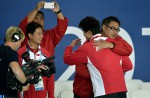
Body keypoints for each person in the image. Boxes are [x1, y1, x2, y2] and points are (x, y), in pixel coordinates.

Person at [64, 16, 133, 98]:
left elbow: (67, 59)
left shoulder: (88, 47)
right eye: (113, 29)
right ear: (103, 27)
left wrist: (70, 46)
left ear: (89, 32)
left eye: (116, 30)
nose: (115, 32)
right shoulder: (117, 44)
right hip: (121, 90)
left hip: (103, 92)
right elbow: (128, 64)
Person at [18, 1, 68, 98]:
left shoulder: (50, 36)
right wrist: (36, 9)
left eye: (41, 19)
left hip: (43, 84)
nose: (38, 20)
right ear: (30, 35)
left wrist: (58, 12)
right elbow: (24, 24)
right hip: (27, 86)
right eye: (35, 18)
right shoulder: (25, 37)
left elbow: (62, 28)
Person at [0, 26, 30, 97]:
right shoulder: (11, 52)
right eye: (20, 42)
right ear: (15, 39)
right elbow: (16, 71)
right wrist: (25, 84)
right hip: (8, 94)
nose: (20, 45)